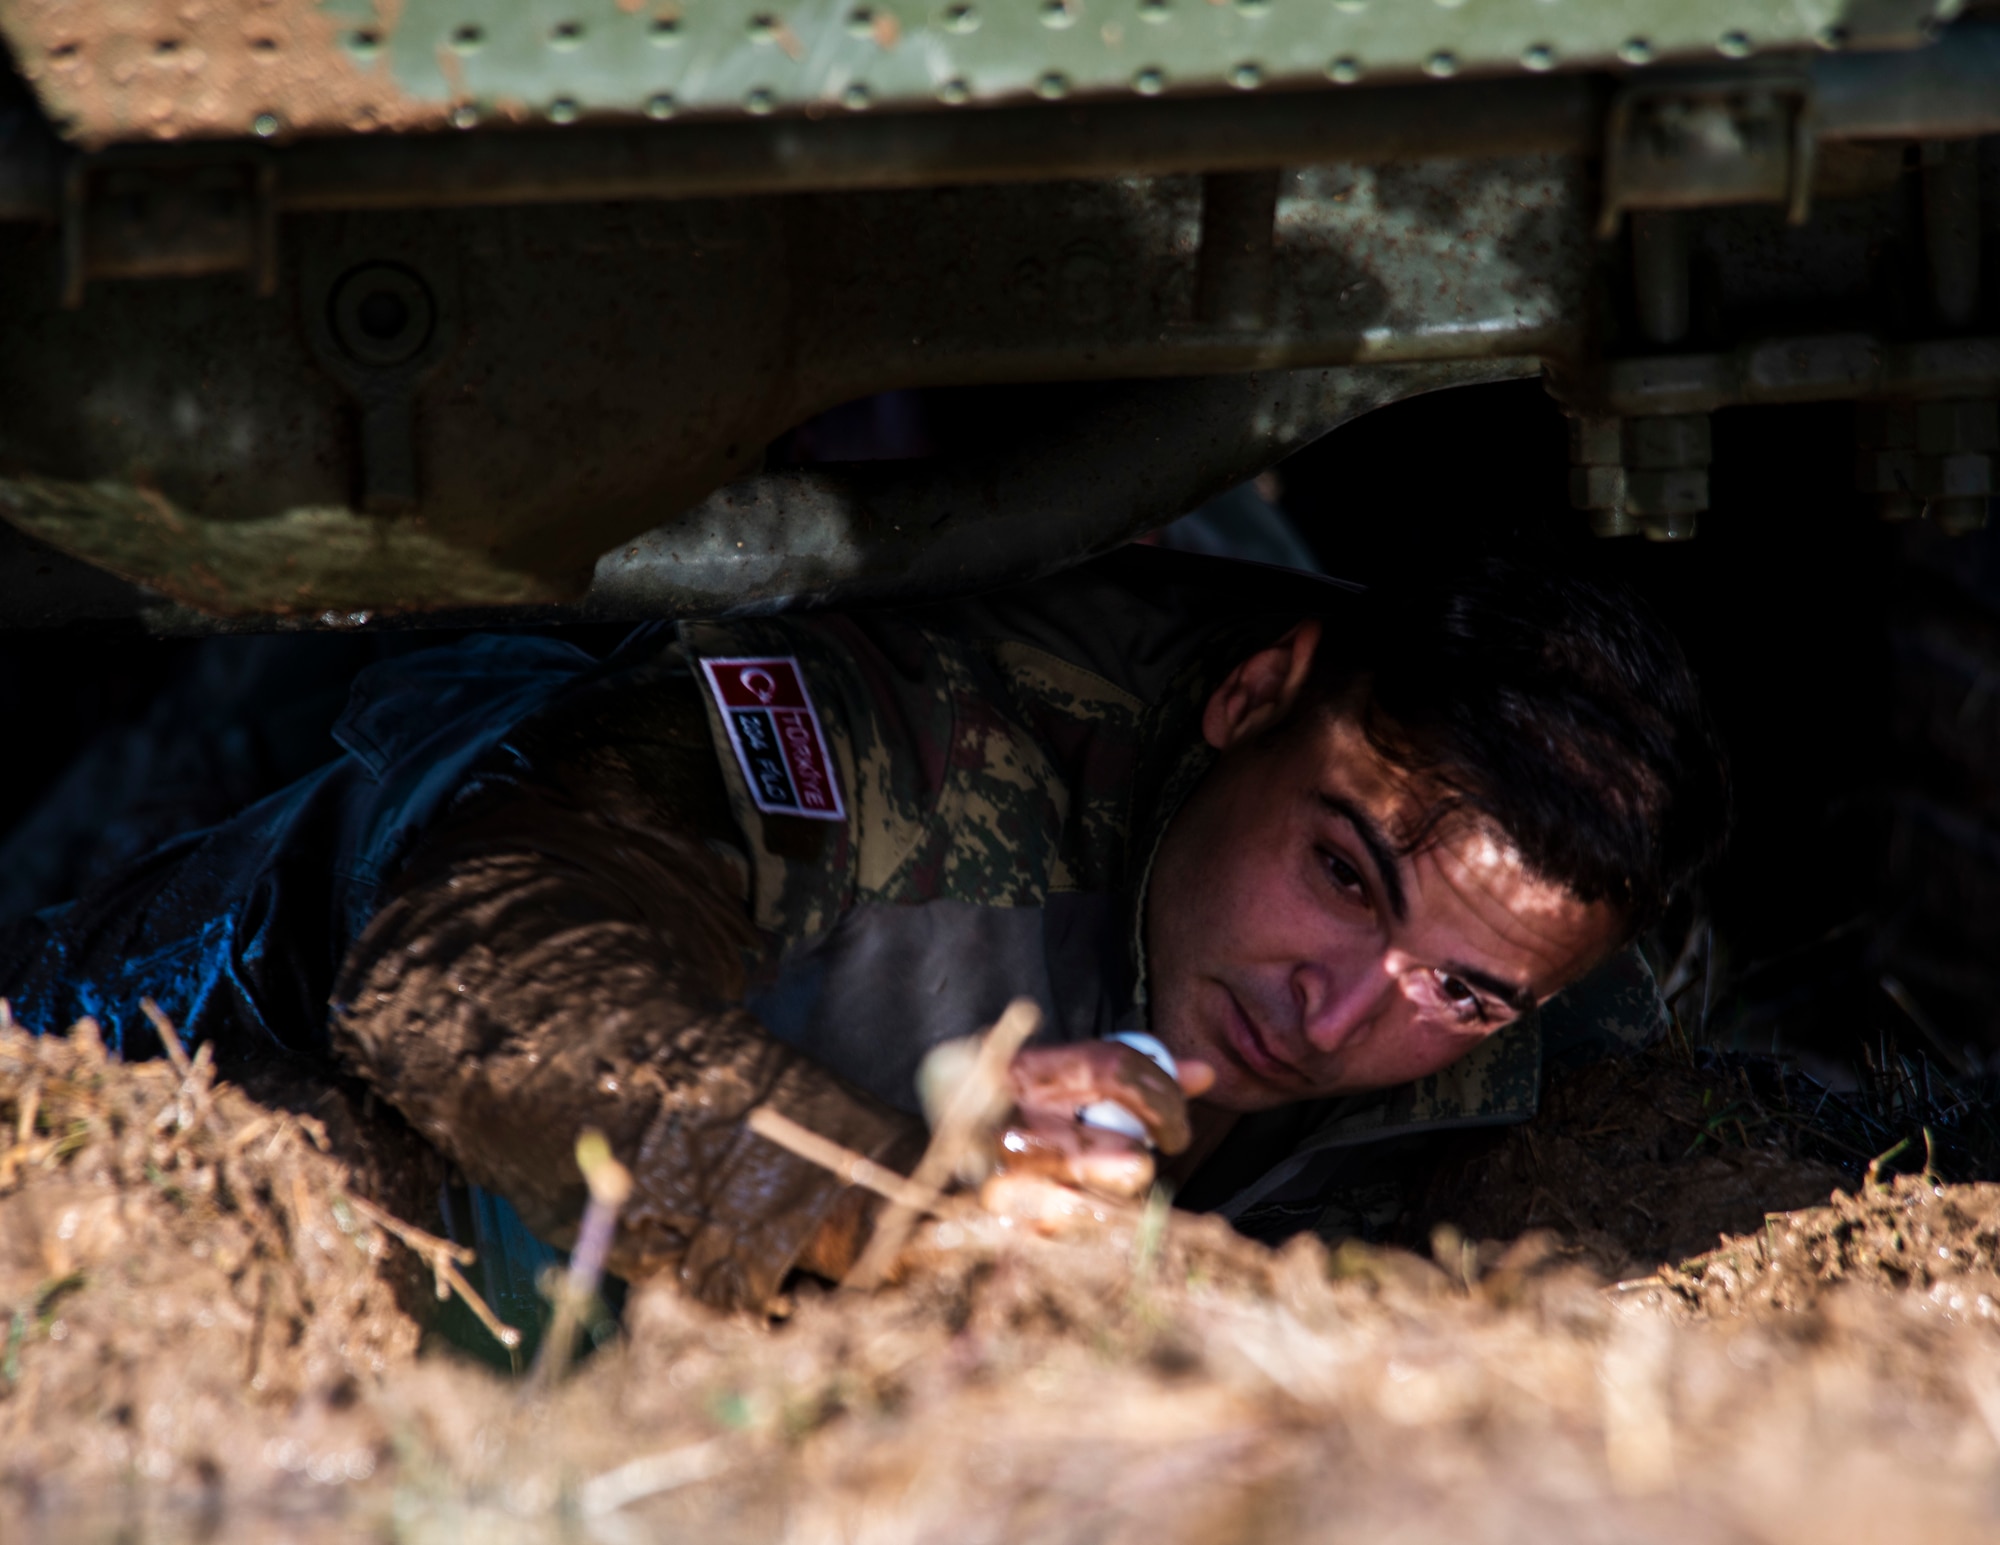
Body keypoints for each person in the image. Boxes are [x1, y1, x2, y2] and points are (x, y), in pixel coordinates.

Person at [0, 547, 1728, 1310]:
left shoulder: (1574, 1001)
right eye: (1343, 873)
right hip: (218, 955)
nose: (1337, 1012)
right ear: (1253, 697)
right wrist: (909, 1211)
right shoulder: (912, 754)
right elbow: (466, 970)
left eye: (1461, 990)